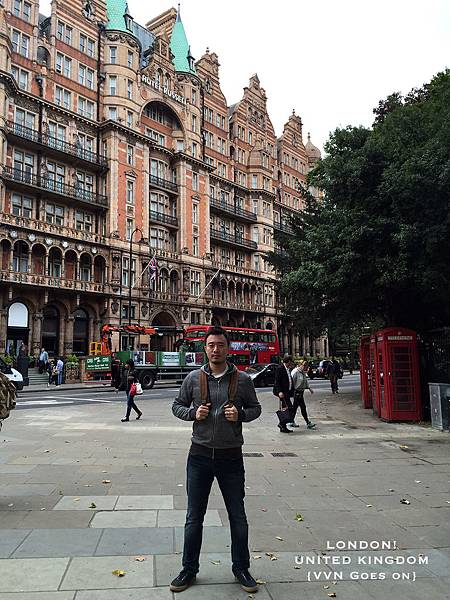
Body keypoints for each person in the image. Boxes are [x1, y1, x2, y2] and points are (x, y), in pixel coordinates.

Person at [171, 326, 261, 593]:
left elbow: (256, 408)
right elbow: (176, 405)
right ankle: (188, 569)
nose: (215, 349)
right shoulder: (193, 379)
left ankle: (241, 568)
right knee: (193, 517)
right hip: (199, 456)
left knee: (238, 516)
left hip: (230, 456)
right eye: (210, 345)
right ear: (205, 348)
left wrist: (241, 415)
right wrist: (192, 414)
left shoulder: (243, 379)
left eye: (220, 345)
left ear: (227, 348)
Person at [288, 361, 316, 429]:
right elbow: (291, 382)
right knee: (303, 407)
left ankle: (291, 421)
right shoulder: (295, 372)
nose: (306, 368)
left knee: (295, 408)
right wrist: (291, 391)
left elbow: (305, 381)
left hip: (301, 392)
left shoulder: (302, 372)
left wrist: (309, 388)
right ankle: (307, 422)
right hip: (297, 392)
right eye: (305, 366)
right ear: (301, 365)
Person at [273, 355, 295, 433]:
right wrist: (279, 391)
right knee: (289, 408)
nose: (291, 363)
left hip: (287, 392)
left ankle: (283, 426)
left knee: (286, 409)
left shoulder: (287, 369)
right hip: (283, 393)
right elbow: (277, 381)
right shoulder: (280, 368)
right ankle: (282, 424)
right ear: (288, 361)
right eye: (291, 362)